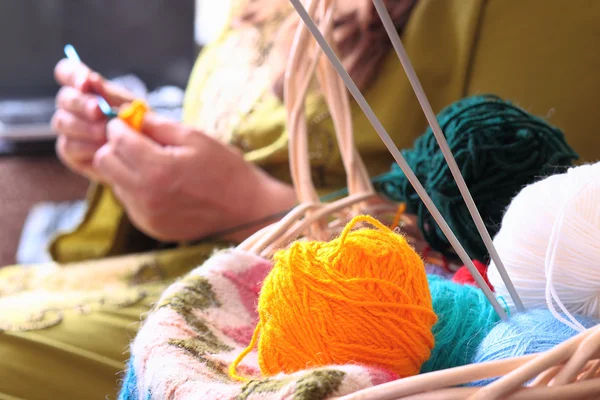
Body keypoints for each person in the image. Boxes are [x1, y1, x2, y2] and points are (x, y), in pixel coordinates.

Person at [1, 0, 599, 399]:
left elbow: (532, 206)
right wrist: (126, 159)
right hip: (242, 279)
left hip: (356, 298)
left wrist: (250, 200)